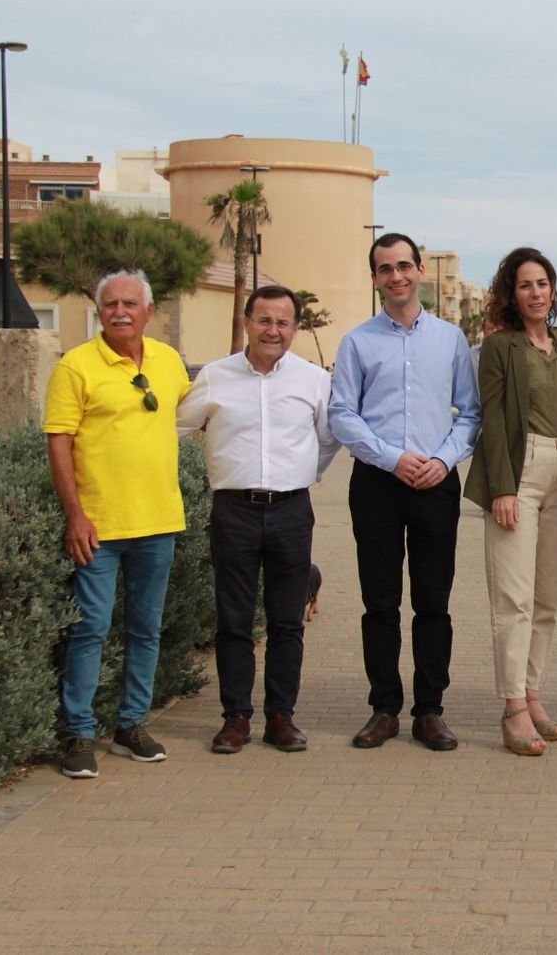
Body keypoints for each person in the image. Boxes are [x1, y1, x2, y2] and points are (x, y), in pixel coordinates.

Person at [330, 232, 480, 753]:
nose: (395, 276)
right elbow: (342, 414)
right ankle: (384, 708)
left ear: (419, 271)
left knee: (433, 602)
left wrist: (441, 460)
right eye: (384, 268)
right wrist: (392, 458)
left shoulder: (451, 340)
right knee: (379, 603)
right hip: (376, 483)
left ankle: (430, 711)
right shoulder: (356, 342)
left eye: (403, 266)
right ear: (374, 278)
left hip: (437, 484)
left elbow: (471, 412)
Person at [177, 285, 339, 755]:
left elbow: (329, 438)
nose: (274, 330)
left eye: (283, 322)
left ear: (295, 328)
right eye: (264, 320)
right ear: (248, 322)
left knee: (287, 621)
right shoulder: (214, 376)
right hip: (234, 511)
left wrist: (306, 474)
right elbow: (177, 426)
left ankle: (280, 717)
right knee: (235, 620)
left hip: (291, 510)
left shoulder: (313, 380)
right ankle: (235, 718)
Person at [44, 269, 190, 779]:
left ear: (149, 312)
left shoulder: (169, 362)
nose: (121, 311)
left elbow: (201, 412)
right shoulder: (76, 367)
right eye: (110, 304)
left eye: (131, 303)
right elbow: (58, 441)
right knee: (90, 630)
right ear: (99, 311)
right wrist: (75, 516)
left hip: (158, 521)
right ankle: (78, 734)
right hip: (98, 529)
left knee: (146, 629)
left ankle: (131, 725)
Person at [465, 248, 557, 756]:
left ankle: (533, 693)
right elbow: (491, 418)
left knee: (546, 598)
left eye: (543, 283)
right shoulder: (500, 346)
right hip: (519, 472)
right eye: (525, 285)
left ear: (554, 289)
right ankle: (513, 706)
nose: (536, 292)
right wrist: (501, 486)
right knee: (512, 598)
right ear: (511, 293)